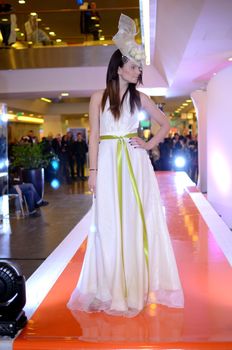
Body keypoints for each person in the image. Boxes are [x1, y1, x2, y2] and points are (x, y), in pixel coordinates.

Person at [67, 14, 184, 317]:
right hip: (107, 161)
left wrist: (148, 144)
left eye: (139, 67)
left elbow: (165, 123)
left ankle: (131, 291)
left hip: (134, 162)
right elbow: (94, 136)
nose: (137, 71)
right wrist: (92, 172)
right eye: (133, 66)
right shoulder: (98, 98)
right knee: (107, 223)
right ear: (118, 68)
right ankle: (110, 290)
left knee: (134, 221)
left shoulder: (141, 98)